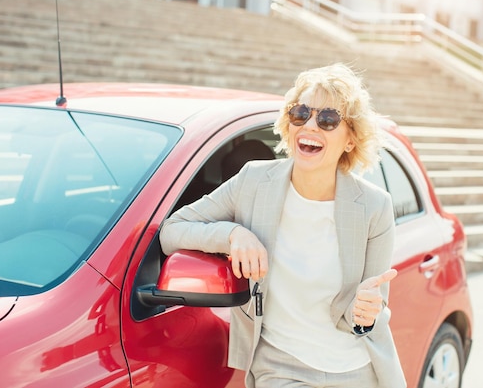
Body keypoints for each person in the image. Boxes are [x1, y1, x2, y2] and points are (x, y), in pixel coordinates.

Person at [159, 63, 406, 388]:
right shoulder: (253, 181)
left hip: (358, 369)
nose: (311, 125)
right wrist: (233, 235)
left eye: (328, 119)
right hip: (281, 367)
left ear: (350, 140)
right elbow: (172, 231)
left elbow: (369, 311)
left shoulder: (375, 207)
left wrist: (365, 310)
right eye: (301, 113)